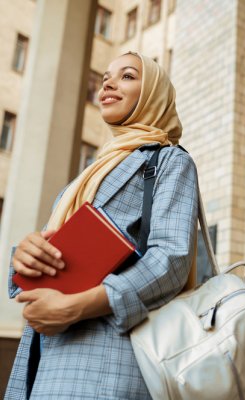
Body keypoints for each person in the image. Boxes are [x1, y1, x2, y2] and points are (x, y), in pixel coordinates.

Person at [5, 52, 198, 399]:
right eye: (107, 76)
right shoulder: (88, 174)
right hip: (45, 355)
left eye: (126, 76)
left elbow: (172, 258)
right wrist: (26, 256)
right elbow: (64, 255)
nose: (108, 83)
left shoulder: (168, 159)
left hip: (109, 357)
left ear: (154, 93)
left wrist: (77, 306)